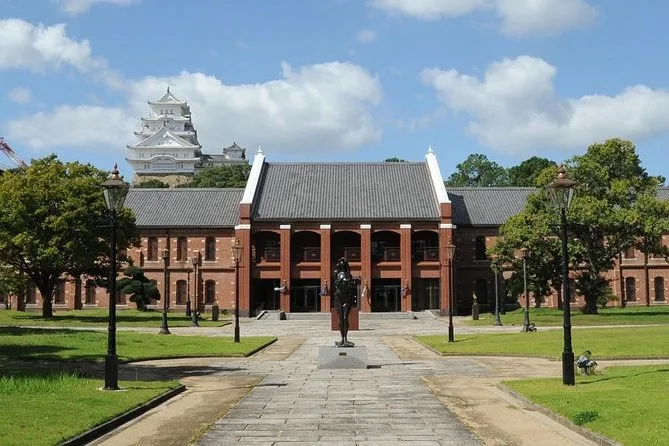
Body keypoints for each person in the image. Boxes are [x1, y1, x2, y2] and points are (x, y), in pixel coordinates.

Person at [333, 257, 359, 347]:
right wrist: (339, 282)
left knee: (345, 318)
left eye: (344, 263)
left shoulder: (349, 275)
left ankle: (345, 339)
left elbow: (350, 286)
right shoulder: (336, 273)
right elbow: (336, 285)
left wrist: (354, 283)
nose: (342, 265)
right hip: (339, 299)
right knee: (341, 318)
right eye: (341, 263)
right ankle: (342, 338)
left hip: (347, 298)